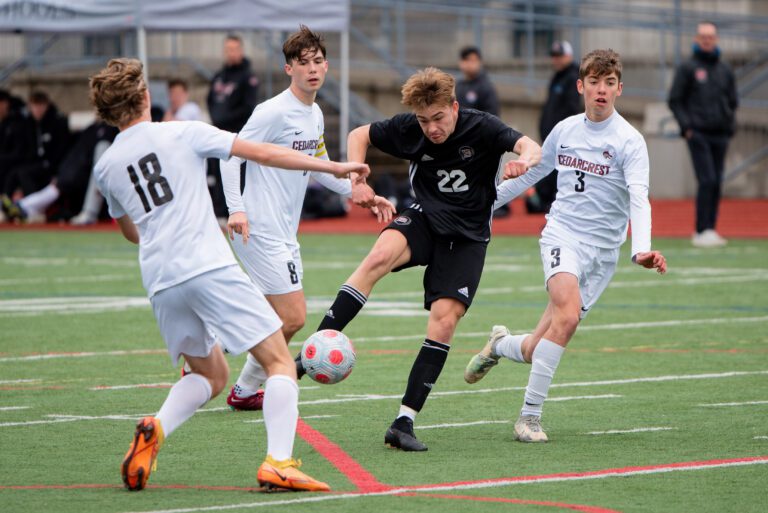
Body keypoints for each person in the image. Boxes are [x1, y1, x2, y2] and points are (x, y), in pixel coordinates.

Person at [89, 57, 369, 492]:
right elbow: (262, 152)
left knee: (211, 375)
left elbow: (131, 232)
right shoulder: (182, 130)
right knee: (278, 359)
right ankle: (278, 462)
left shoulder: (105, 167)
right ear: (146, 97)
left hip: (160, 279)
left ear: (106, 112)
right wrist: (332, 168)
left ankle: (155, 430)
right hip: (206, 263)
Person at [307, 67, 541, 451]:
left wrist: (524, 161)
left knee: (445, 321)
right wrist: (357, 180)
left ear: (454, 106)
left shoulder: (482, 127)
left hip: (467, 237)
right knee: (378, 255)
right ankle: (312, 350)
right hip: (426, 218)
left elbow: (531, 146)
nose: (431, 128)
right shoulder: (409, 127)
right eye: (423, 120)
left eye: (438, 118)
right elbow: (358, 135)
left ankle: (404, 422)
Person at [464, 49, 667, 444]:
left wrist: (640, 248)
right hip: (563, 235)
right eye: (594, 82)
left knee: (538, 345)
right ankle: (529, 419)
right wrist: (483, 205)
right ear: (581, 86)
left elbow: (639, 196)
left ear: (619, 89)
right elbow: (535, 173)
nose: (601, 90)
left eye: (609, 83)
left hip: (603, 254)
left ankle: (499, 344)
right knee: (568, 318)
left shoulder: (630, 140)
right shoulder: (565, 130)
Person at [220, 25, 395, 410]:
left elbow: (316, 167)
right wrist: (236, 208)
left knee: (274, 316)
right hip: (258, 228)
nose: (311, 69)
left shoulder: (314, 113)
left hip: (284, 231)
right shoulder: (271, 112)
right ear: (289, 70)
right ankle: (220, 356)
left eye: (317, 61)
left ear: (327, 65)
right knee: (293, 316)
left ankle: (241, 384)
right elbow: (230, 155)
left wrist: (359, 193)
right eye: (303, 63)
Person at [668, 21, 737, 248]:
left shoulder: (725, 69)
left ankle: (711, 228)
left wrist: (728, 123)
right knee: (706, 179)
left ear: (716, 40)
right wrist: (687, 127)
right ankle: (700, 230)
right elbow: (675, 99)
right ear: (697, 39)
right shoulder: (688, 68)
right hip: (698, 133)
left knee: (716, 180)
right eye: (703, 37)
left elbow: (733, 100)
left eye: (711, 37)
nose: (707, 40)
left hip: (721, 133)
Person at [206, 34, 260, 219]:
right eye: (228, 49)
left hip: (238, 137)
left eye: (234, 49)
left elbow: (248, 107)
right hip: (218, 134)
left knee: (238, 175)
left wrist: (224, 119)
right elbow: (211, 101)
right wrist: (217, 119)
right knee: (218, 173)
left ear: (241, 50)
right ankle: (220, 212)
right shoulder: (219, 77)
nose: (231, 53)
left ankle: (239, 213)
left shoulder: (248, 78)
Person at [529, 40, 582, 214]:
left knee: (558, 171)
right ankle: (545, 199)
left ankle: (552, 202)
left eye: (560, 56)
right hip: (551, 137)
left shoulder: (573, 77)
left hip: (564, 138)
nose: (556, 60)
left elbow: (572, 109)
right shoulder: (557, 77)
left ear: (569, 56)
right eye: (554, 56)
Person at [1, 91, 70, 221]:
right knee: (14, 172)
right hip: (36, 164)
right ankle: (6, 204)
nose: (37, 110)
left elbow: (62, 151)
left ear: (46, 106)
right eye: (34, 106)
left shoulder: (57, 123)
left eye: (40, 106)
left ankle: (32, 208)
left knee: (24, 173)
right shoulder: (28, 124)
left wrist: (57, 172)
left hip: (51, 166)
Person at [456, 46, 500, 117]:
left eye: (473, 60)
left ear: (480, 62)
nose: (470, 64)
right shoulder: (458, 86)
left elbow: (493, 117)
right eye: (466, 60)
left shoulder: (486, 87)